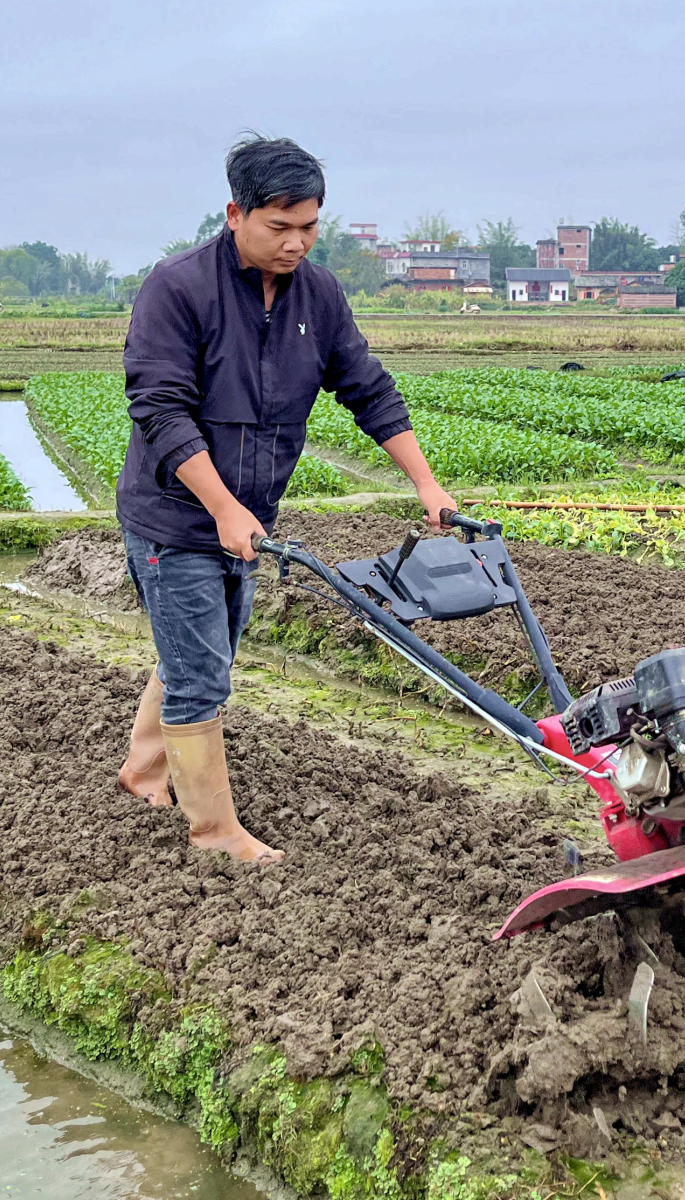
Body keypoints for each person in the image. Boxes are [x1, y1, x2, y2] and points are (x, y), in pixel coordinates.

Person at [114, 135, 457, 864]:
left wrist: (424, 483)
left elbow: (367, 388)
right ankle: (213, 832)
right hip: (175, 515)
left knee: (207, 649)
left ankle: (144, 769)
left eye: (309, 226)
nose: (296, 243)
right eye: (280, 227)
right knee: (203, 671)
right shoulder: (178, 288)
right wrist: (220, 507)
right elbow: (162, 410)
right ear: (235, 212)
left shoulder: (319, 295)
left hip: (249, 516)